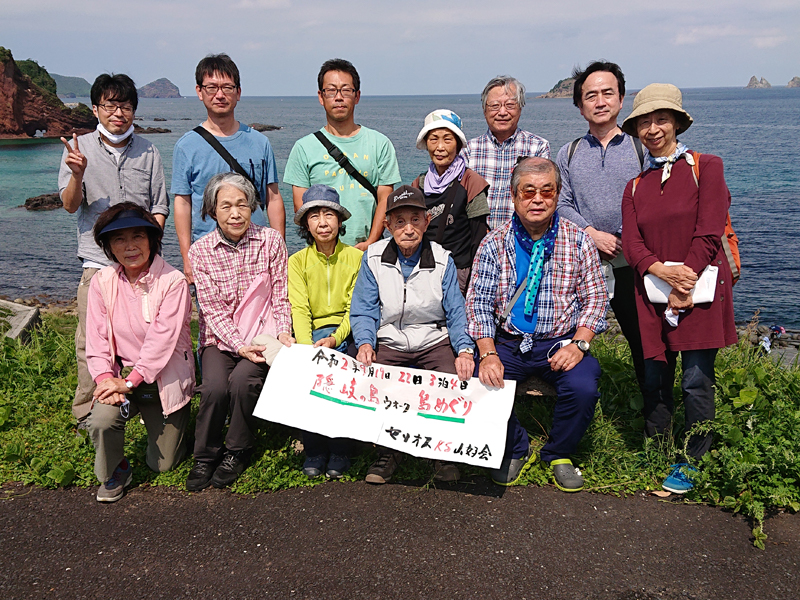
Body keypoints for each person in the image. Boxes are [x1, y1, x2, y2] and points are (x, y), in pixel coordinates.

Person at [620, 84, 737, 494]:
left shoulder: (708, 166)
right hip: (654, 292)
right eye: (644, 122)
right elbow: (632, 244)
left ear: (676, 122)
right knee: (655, 375)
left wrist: (684, 277)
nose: (652, 129)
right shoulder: (634, 186)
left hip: (699, 289)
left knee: (695, 381)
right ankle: (656, 450)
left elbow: (709, 228)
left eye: (660, 119)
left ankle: (694, 461)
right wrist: (663, 274)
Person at [465, 157, 608, 492]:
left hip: (559, 341)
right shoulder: (493, 243)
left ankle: (559, 452)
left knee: (584, 386)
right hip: (509, 342)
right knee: (477, 382)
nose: (538, 199)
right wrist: (487, 352)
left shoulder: (578, 240)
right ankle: (516, 446)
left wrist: (580, 343)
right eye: (528, 192)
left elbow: (596, 298)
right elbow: (478, 302)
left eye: (547, 191)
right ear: (514, 197)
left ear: (557, 195)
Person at [58, 73, 169, 427]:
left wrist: (149, 257)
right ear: (95, 109)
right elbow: (70, 205)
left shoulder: (148, 151)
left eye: (125, 105)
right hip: (96, 262)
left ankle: (146, 403)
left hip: (143, 265)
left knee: (146, 336)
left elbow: (159, 207)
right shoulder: (79, 150)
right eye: (110, 104)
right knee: (91, 341)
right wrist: (77, 175)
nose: (118, 112)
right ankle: (88, 415)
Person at [350, 186, 476, 484]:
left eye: (415, 220)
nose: (408, 228)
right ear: (388, 225)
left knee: (452, 381)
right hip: (391, 339)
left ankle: (441, 451)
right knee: (376, 383)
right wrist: (366, 342)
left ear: (426, 222)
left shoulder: (443, 259)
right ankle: (387, 451)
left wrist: (464, 349)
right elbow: (364, 308)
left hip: (433, 340)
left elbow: (456, 311)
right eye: (400, 221)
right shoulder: (373, 257)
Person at [187, 172, 293, 491]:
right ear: (212, 211)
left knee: (244, 381)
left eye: (242, 204)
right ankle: (205, 454)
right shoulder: (200, 251)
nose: (235, 213)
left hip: (262, 336)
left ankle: (237, 450)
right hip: (218, 339)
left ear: (252, 208)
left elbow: (280, 295)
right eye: (226, 206)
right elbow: (211, 309)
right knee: (215, 387)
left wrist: (284, 334)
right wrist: (238, 344)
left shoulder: (271, 241)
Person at [85, 203, 193, 502]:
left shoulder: (172, 281)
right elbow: (96, 339)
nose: (130, 247)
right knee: (101, 421)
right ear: (108, 246)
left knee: (163, 464)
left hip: (162, 379)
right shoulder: (102, 281)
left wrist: (131, 381)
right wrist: (108, 378)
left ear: (152, 239)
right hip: (123, 380)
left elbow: (162, 341)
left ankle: (181, 425)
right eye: (119, 239)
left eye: (137, 236)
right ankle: (115, 470)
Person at [556, 60, 647, 393]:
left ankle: (653, 415)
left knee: (644, 343)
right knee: (568, 336)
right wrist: (592, 234)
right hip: (583, 265)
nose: (600, 101)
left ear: (622, 99)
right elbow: (561, 203)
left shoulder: (640, 148)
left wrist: (622, 237)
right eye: (590, 96)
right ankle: (570, 404)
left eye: (608, 93)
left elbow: (650, 202)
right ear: (580, 107)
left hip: (630, 264)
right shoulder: (570, 152)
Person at [172, 53, 285, 285]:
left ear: (238, 93)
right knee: (214, 320)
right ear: (199, 91)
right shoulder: (186, 146)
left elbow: (273, 198)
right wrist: (187, 257)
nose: (220, 95)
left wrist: (279, 250)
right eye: (211, 87)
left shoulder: (259, 142)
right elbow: (182, 203)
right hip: (208, 253)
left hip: (257, 251)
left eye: (227, 87)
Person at [284, 58, 401, 250]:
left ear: (357, 96)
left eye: (346, 90)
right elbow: (301, 207)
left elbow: (385, 200)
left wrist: (370, 242)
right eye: (331, 90)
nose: (338, 97)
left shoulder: (380, 144)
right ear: (321, 97)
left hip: (368, 252)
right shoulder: (303, 147)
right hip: (321, 254)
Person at [288, 184, 363, 479]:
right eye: (315, 215)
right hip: (310, 334)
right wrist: (308, 347)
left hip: (347, 332)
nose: (322, 222)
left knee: (347, 378)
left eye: (329, 215)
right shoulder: (297, 262)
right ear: (306, 223)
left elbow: (355, 308)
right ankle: (315, 449)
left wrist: (335, 338)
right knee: (310, 380)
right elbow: (300, 308)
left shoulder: (356, 258)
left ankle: (341, 448)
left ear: (340, 221)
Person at [412, 109, 490, 294]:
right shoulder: (419, 183)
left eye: (447, 139)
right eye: (433, 139)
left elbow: (478, 236)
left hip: (459, 271)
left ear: (458, 144)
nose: (440, 147)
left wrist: (475, 279)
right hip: (426, 268)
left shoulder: (471, 182)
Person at [463, 76, 550, 230]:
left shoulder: (537, 147)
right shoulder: (468, 150)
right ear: (484, 110)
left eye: (510, 105)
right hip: (476, 241)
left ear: (520, 109)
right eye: (494, 106)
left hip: (521, 239)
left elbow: (541, 197)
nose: (502, 112)